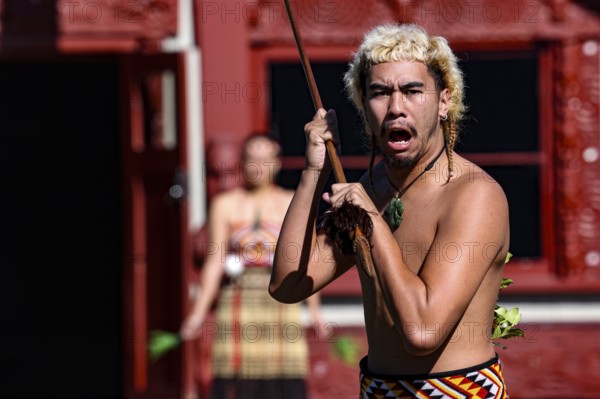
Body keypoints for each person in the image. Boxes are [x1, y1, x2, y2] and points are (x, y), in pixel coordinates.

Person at [269, 24, 510, 398]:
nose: (396, 108)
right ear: (364, 105)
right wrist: (313, 172)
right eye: (380, 93)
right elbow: (288, 284)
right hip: (378, 390)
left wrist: (374, 225)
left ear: (444, 102)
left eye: (413, 91)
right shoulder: (370, 189)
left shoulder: (475, 195)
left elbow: (423, 332)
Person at [181, 134, 323, 399]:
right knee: (237, 383)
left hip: (282, 297)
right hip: (238, 298)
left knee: (285, 380)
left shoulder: (291, 201)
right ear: (243, 163)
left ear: (276, 163)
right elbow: (215, 259)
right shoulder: (225, 204)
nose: (258, 167)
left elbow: (307, 259)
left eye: (265, 160)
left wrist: (315, 312)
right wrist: (198, 314)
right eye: (252, 160)